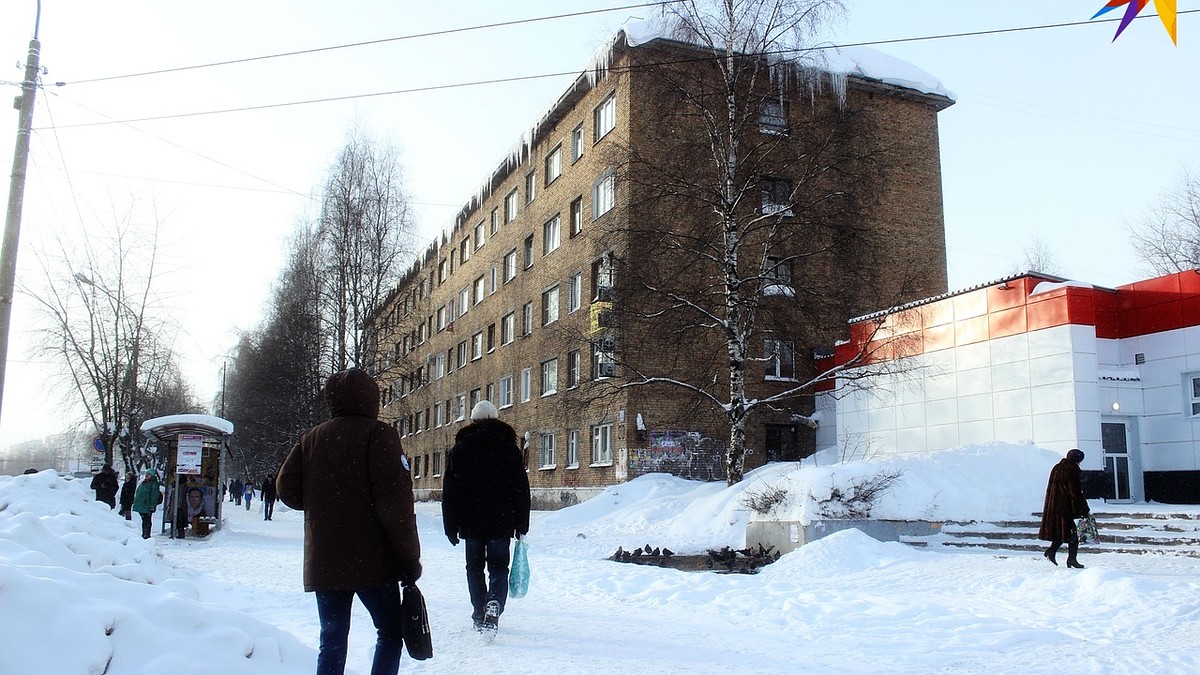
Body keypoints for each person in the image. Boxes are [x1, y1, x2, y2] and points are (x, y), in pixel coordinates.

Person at [277, 368, 422, 675]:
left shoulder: (311, 438)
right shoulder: (379, 434)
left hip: (326, 558)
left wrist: (324, 505)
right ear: (372, 399)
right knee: (390, 632)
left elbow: (285, 488)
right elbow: (395, 503)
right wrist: (409, 557)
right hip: (374, 562)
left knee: (331, 640)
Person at [441, 399, 531, 637]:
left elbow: (451, 490)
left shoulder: (461, 449)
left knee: (474, 568)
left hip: (471, 522)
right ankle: (495, 604)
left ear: (473, 420)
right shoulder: (509, 448)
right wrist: (522, 522)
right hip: (501, 521)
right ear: (496, 419)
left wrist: (450, 525)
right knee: (499, 567)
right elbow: (521, 488)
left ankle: (480, 612)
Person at [1039, 448, 1090, 568]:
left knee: (1062, 532)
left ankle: (1051, 551)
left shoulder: (1057, 467)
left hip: (1055, 505)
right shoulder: (1073, 469)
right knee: (1074, 533)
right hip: (1068, 507)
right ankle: (1072, 559)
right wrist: (1083, 507)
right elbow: (1075, 491)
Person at [132, 469, 162, 540]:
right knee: (144, 520)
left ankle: (147, 534)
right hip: (142, 505)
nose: (146, 476)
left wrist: (152, 506)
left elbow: (154, 496)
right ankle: (144, 533)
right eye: (146, 474)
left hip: (147, 505)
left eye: (148, 474)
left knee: (147, 520)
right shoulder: (144, 483)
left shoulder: (154, 484)